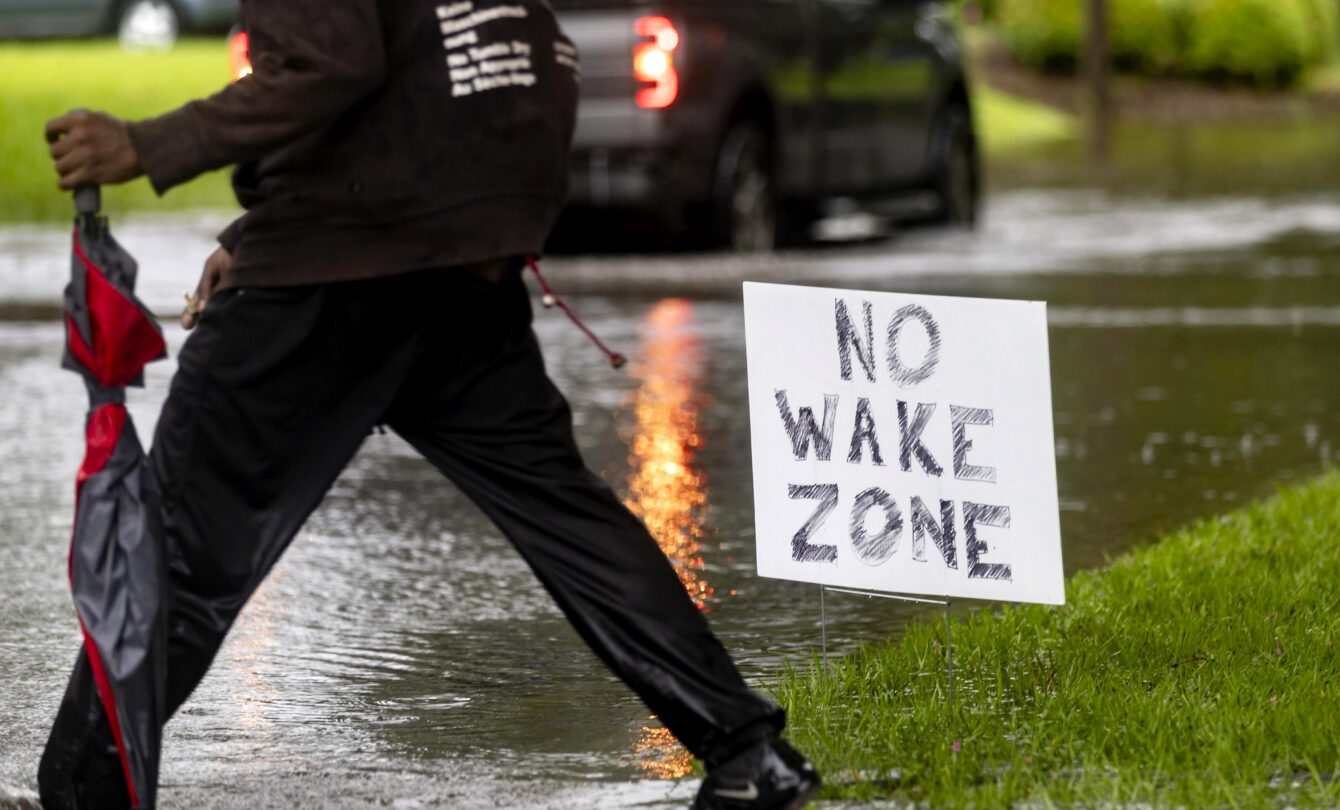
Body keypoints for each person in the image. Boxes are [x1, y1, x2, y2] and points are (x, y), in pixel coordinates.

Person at [38, 2, 819, 808]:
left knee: (176, 543)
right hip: (461, 266)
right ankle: (749, 753)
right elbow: (434, 79)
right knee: (566, 516)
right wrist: (254, 235)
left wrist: (146, 144)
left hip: (333, 280)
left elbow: (331, 65)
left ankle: (84, 791)